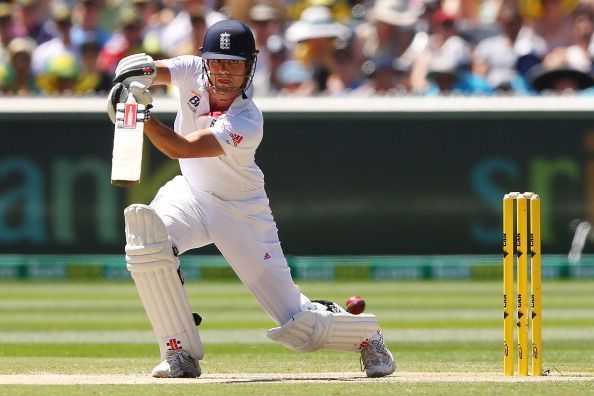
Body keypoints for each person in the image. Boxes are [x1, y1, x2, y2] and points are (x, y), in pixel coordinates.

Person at [106, 19, 396, 379]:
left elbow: (179, 147)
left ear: (250, 66)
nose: (225, 72)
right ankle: (178, 352)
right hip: (191, 194)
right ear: (205, 61)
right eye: (218, 62)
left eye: (235, 63)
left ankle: (365, 334)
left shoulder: (247, 119)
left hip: (241, 213)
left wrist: (142, 118)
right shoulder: (189, 70)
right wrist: (130, 83)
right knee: (146, 239)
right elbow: (143, 69)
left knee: (299, 326)